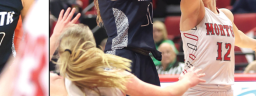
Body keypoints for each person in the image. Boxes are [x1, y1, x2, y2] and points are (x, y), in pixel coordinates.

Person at [49, 9, 206, 96]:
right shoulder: (116, 77)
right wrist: (187, 81)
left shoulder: (53, 84)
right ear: (93, 47)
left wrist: (55, 36)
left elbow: (29, 68)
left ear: (62, 52)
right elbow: (167, 94)